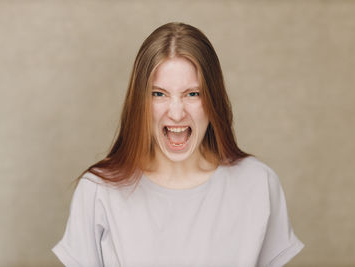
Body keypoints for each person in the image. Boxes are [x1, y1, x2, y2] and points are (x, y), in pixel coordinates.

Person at [52, 22, 304, 267]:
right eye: (158, 93)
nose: (176, 112)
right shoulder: (98, 190)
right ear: (139, 101)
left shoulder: (258, 183)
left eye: (192, 94)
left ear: (213, 99)